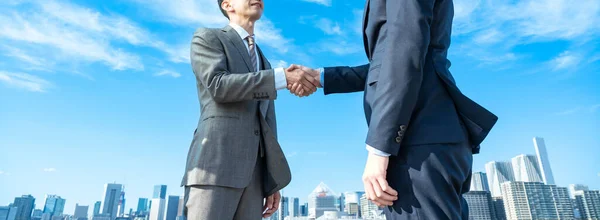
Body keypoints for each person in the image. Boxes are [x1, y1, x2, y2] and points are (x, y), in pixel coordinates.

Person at [288, 0, 498, 218]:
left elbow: (404, 52)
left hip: (418, 142)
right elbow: (393, 61)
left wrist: (379, 149)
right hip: (435, 135)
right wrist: (321, 77)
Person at [180, 0, 319, 219]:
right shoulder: (208, 37)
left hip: (254, 179)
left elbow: (267, 122)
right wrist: (282, 77)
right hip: (215, 168)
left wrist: (271, 180)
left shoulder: (263, 61)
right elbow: (218, 85)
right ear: (227, 5)